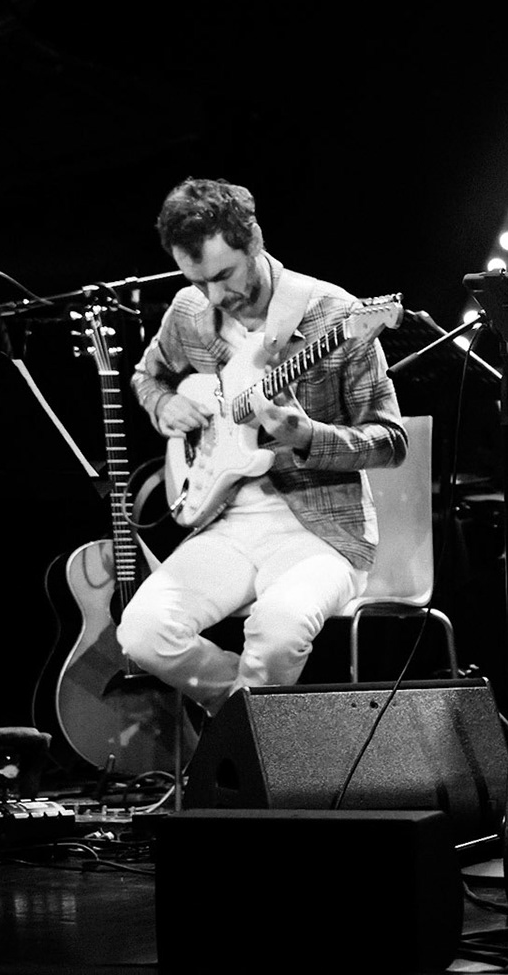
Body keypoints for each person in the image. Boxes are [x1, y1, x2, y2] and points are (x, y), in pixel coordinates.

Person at [119, 177, 408, 715]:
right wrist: (164, 405)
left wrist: (307, 437)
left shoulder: (336, 314)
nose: (215, 295)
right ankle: (247, 723)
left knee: (277, 632)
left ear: (252, 240)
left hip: (324, 531)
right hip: (227, 520)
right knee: (143, 631)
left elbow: (391, 442)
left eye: (223, 275)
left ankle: (243, 752)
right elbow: (146, 376)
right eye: (198, 280)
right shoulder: (190, 312)